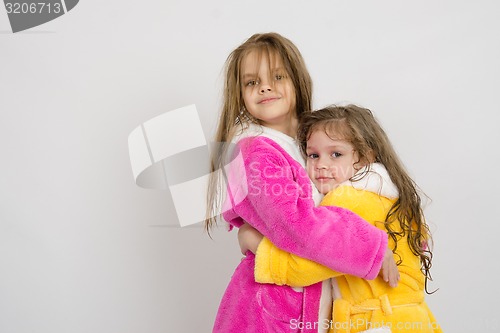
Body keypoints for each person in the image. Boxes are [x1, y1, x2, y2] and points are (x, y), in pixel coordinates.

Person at [205, 33, 397, 333]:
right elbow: (298, 225)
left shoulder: (312, 143)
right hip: (268, 312)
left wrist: (398, 230)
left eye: (278, 76)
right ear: (239, 93)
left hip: (315, 305)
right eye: (251, 82)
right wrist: (373, 246)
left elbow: (352, 191)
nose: (265, 87)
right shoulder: (256, 152)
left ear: (297, 80)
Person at [239, 105, 442, 333]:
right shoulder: (391, 198)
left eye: (336, 154)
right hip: (411, 319)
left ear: (366, 156)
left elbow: (307, 266)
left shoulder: (347, 199)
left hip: (377, 322)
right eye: (313, 155)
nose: (321, 165)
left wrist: (253, 242)